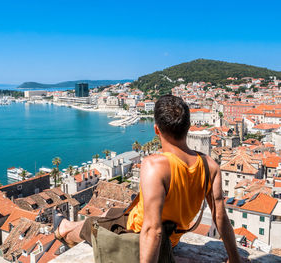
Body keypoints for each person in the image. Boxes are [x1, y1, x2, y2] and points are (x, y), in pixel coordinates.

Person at [53, 95, 242, 263]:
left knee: (92, 226)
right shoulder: (210, 166)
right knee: (111, 213)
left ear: (156, 130)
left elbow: (152, 230)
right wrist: (235, 258)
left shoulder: (155, 165)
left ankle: (64, 229)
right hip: (173, 238)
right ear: (188, 127)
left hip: (135, 235)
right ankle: (65, 226)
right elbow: (221, 217)